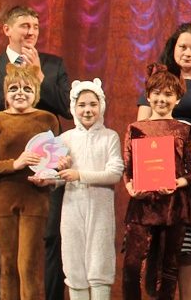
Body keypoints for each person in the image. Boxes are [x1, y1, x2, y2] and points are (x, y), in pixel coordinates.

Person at [0, 5, 72, 300]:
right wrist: (13, 92)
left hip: (45, 175)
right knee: (8, 253)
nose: (31, 32)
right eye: (24, 26)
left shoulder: (53, 65)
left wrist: (39, 78)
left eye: (35, 27)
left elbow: (68, 109)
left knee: (50, 241)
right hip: (5, 178)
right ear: (7, 29)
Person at [137, 22, 191, 300]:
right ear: (173, 48)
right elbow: (141, 129)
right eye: (183, 46)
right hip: (160, 170)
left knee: (190, 242)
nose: (188, 52)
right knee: (160, 240)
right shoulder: (157, 81)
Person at [0, 64, 60, 300]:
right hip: (3, 200)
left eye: (27, 88)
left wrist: (50, 175)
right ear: (5, 92)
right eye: (14, 88)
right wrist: (14, 164)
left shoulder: (47, 119)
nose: (20, 92)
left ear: (36, 93)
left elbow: (55, 160)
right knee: (8, 265)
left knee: (28, 265)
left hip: (35, 199)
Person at [122, 64, 191, 300]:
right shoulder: (135, 128)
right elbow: (127, 168)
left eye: (168, 94)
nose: (161, 99)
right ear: (148, 96)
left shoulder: (185, 130)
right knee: (132, 265)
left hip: (174, 204)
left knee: (169, 266)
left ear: (177, 99)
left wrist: (178, 182)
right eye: (156, 93)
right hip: (143, 204)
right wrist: (130, 187)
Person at [55, 79, 124, 300]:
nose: (88, 110)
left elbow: (115, 173)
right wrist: (52, 175)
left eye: (93, 104)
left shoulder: (109, 137)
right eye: (82, 105)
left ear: (101, 105)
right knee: (73, 260)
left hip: (100, 210)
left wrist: (79, 175)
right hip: (72, 208)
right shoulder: (65, 139)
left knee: (100, 260)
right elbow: (56, 178)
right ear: (73, 107)